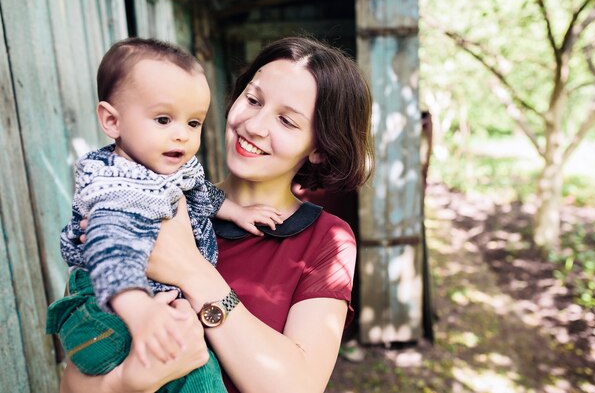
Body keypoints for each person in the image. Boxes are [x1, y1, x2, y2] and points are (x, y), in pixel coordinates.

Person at [58, 36, 374, 393]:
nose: (254, 125)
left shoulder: (326, 240)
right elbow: (73, 379)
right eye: (253, 100)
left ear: (319, 147)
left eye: (286, 121)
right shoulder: (148, 198)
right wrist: (131, 381)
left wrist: (191, 271)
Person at [47, 38, 281, 393]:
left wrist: (237, 212)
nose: (181, 135)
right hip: (112, 312)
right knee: (200, 376)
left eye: (193, 123)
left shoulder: (170, 165)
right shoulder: (118, 188)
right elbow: (111, 253)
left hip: (145, 301)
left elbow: (200, 192)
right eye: (163, 119)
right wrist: (139, 311)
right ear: (112, 120)